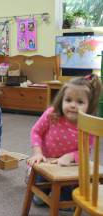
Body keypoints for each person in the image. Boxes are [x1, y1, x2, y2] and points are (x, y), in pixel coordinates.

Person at [26, 74, 102, 206]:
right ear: (61, 100)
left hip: (68, 167)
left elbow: (85, 151)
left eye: (80, 102)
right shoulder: (52, 114)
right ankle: (31, 175)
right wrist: (38, 153)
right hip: (46, 161)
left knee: (66, 202)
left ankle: (63, 191)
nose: (73, 105)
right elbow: (36, 131)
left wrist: (71, 156)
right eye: (68, 100)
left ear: (89, 105)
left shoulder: (88, 124)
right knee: (39, 201)